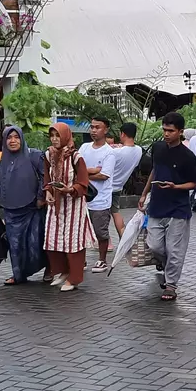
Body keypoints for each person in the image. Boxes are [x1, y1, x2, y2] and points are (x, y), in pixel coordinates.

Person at [138, 112, 196, 301]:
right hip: (157, 205)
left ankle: (171, 285)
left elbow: (193, 183)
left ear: (180, 132)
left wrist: (176, 187)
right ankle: (167, 268)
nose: (166, 134)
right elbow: (154, 171)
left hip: (178, 208)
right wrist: (144, 193)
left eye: (170, 131)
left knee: (175, 249)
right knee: (155, 246)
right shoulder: (157, 148)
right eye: (164, 130)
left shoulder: (188, 156)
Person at [0, 126, 49, 286]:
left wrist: (41, 197)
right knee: (15, 244)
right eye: (9, 138)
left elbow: (44, 177)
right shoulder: (4, 161)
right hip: (11, 210)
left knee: (35, 243)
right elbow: (1, 186)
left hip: (32, 208)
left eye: (16, 137)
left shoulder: (34, 156)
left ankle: (49, 269)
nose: (13, 141)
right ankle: (18, 275)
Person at [43, 123, 96, 292]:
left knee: (73, 241)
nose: (54, 139)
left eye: (58, 135)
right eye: (52, 135)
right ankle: (63, 271)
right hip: (56, 205)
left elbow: (83, 183)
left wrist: (70, 189)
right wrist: (48, 192)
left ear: (65, 136)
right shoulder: (48, 154)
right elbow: (46, 178)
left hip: (74, 204)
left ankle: (74, 278)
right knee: (53, 238)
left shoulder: (76, 157)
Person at [78, 117, 116, 274]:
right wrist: (93, 170)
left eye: (97, 127)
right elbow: (75, 167)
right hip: (81, 198)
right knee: (80, 231)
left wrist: (83, 173)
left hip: (100, 199)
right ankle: (82, 260)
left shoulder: (109, 153)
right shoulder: (84, 148)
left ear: (105, 130)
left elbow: (104, 175)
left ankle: (102, 260)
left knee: (101, 231)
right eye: (92, 127)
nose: (93, 130)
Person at [110, 122, 143, 237]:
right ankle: (123, 236)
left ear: (122, 134)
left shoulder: (115, 152)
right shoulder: (138, 150)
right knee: (115, 212)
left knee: (101, 216)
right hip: (119, 186)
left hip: (106, 186)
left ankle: (107, 242)